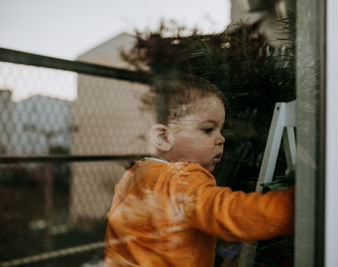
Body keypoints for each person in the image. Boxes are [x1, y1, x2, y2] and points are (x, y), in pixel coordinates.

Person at [104, 74, 294, 267]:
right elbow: (228, 213)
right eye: (208, 130)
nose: (222, 139)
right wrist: (295, 205)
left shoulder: (135, 175)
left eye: (221, 129)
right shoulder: (178, 180)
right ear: (163, 138)